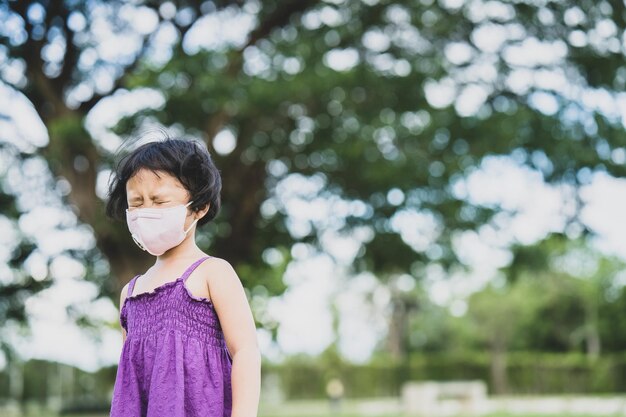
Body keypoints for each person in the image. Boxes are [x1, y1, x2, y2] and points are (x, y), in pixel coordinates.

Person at [105, 136, 261, 417]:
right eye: (137, 202)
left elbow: (245, 351)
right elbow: (132, 381)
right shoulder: (129, 293)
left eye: (159, 200)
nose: (146, 212)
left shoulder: (212, 272)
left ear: (199, 207)